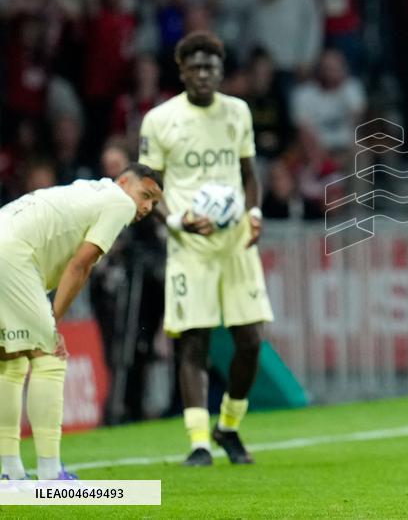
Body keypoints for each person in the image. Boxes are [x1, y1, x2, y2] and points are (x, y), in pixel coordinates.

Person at [139, 31, 274, 466]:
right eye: (195, 67)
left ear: (221, 71)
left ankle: (229, 427)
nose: (203, 74)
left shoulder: (237, 112)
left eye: (210, 68)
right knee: (193, 340)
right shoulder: (160, 120)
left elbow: (250, 173)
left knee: (251, 339)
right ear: (181, 71)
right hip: (189, 244)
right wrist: (175, 221)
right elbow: (146, 184)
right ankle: (198, 441)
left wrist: (254, 214)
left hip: (234, 240)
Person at [0, 163, 162, 480]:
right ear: (124, 181)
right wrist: (52, 322)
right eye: (145, 195)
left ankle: (10, 470)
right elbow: (80, 265)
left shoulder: (89, 190)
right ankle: (49, 472)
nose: (146, 207)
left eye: (154, 203)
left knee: (10, 363)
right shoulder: (119, 202)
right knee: (49, 359)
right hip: (12, 254)